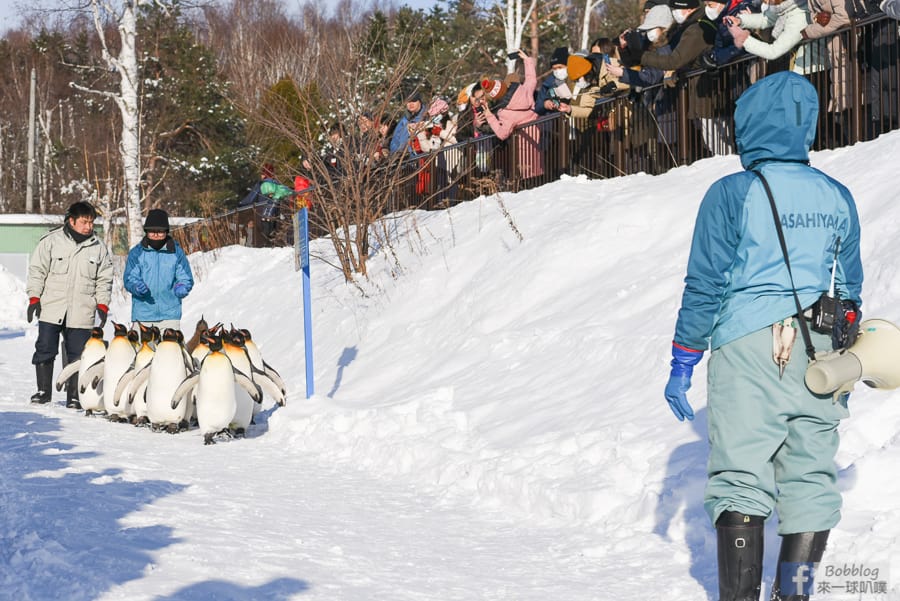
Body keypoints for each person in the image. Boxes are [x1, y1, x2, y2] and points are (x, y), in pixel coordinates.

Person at [663, 72, 863, 600]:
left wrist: (684, 358)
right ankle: (794, 593)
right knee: (810, 476)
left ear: (748, 124)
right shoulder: (837, 195)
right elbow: (850, 288)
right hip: (819, 348)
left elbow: (704, 283)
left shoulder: (732, 192)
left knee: (740, 474)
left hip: (747, 345)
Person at [26, 201, 114, 408]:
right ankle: (43, 391)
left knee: (78, 353)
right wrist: (34, 298)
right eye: (84, 222)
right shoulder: (51, 241)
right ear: (71, 220)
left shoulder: (98, 247)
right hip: (52, 307)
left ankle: (74, 395)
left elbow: (105, 279)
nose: (88, 227)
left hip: (82, 310)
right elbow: (37, 270)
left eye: (91, 222)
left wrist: (102, 305)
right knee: (45, 348)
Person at [123, 209, 194, 333]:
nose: (156, 234)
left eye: (160, 231)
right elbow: (129, 278)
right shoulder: (137, 253)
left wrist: (182, 286)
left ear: (166, 231)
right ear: (146, 231)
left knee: (170, 351)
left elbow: (185, 277)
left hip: (170, 316)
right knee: (144, 352)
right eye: (152, 231)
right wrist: (136, 286)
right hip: (143, 315)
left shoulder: (176, 252)